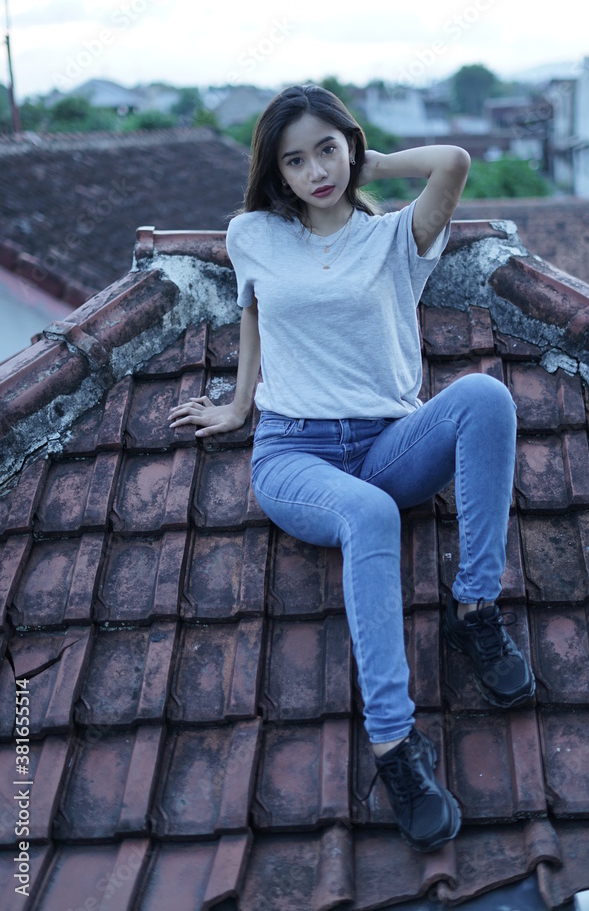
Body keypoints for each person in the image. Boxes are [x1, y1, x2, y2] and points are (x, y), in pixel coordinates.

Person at [168, 84, 534, 853]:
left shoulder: (395, 237)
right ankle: (394, 746)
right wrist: (239, 408)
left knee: (483, 397)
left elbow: (453, 160)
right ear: (276, 172)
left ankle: (474, 610)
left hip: (386, 443)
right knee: (366, 516)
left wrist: (367, 163)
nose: (315, 171)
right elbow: (252, 315)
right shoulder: (252, 234)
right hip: (295, 453)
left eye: (327, 149)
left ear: (351, 147)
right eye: (294, 160)